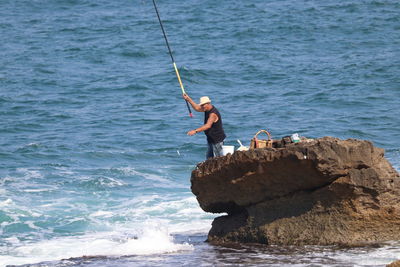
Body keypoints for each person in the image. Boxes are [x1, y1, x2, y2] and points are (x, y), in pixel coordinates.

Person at [183, 94, 226, 159]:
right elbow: (197, 108)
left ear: (208, 103)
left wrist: (195, 131)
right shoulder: (206, 109)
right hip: (210, 138)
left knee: (219, 158)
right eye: (201, 105)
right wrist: (188, 99)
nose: (202, 107)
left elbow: (208, 126)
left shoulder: (213, 114)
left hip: (217, 139)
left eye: (203, 105)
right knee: (209, 158)